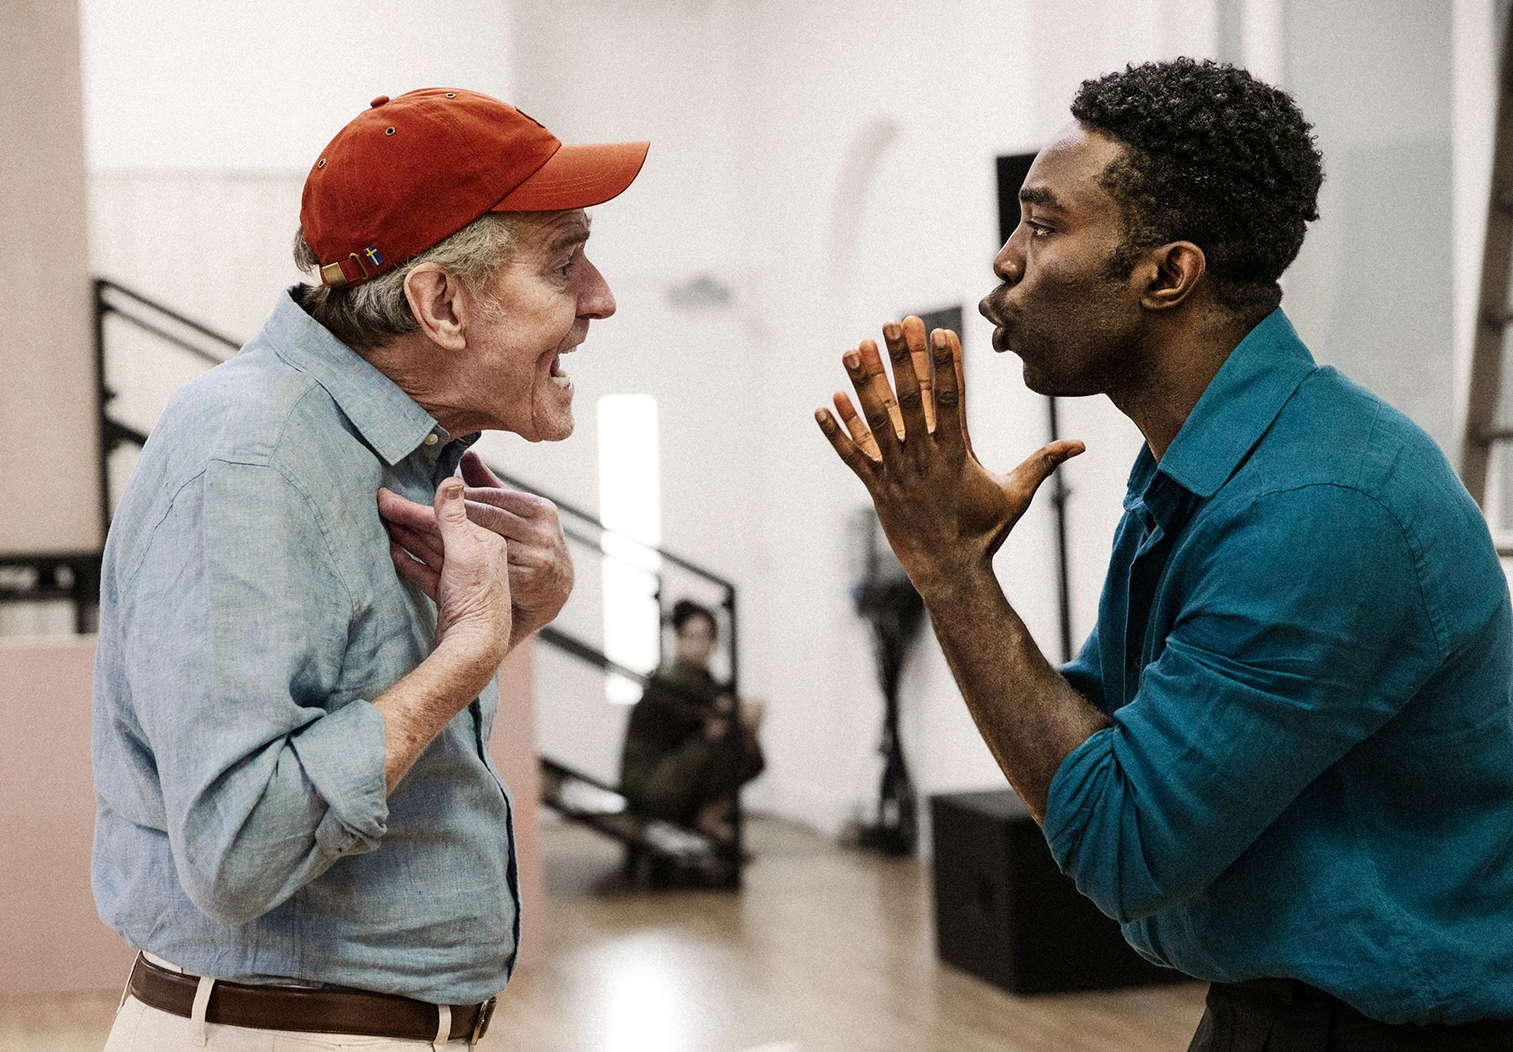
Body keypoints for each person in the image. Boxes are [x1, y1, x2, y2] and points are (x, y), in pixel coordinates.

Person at [815, 59, 1513, 1049]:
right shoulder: (1204, 468)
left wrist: (949, 568)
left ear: (1168, 274)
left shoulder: (1322, 506)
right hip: (1269, 1014)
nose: (1005, 260)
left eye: (1043, 225)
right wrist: (956, 564)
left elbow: (1123, 839)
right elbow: (1096, 734)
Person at [92, 88, 647, 1050]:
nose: (600, 297)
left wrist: (517, 615)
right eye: (565, 262)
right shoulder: (254, 457)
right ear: (441, 304)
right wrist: (469, 652)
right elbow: (237, 848)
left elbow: (369, 724)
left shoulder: (391, 452)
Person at [619, 600, 764, 843]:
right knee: (729, 741)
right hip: (648, 781)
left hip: (668, 773)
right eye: (690, 636)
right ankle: (707, 817)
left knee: (738, 740)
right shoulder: (671, 679)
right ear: (678, 639)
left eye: (704, 637)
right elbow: (703, 713)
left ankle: (710, 814)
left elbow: (725, 709)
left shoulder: (701, 678)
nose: (698, 645)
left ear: (713, 642)